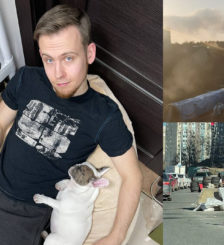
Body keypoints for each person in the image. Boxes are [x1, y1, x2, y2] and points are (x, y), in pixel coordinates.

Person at [0, 4, 142, 245]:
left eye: (68, 58)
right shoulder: (26, 79)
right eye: (49, 59)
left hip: (25, 210)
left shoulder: (104, 115)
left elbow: (133, 176)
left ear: (89, 54)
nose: (58, 74)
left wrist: (115, 237)